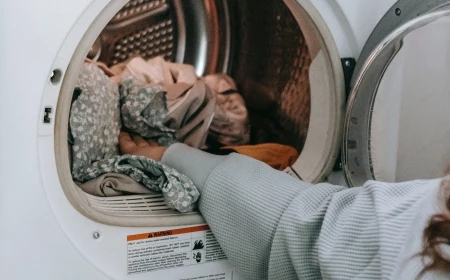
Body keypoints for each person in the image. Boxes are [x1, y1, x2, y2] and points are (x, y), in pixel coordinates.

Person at [119, 132, 450, 280]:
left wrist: (172, 156)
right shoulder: (427, 222)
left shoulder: (426, 226)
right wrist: (173, 155)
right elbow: (312, 227)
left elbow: (301, 227)